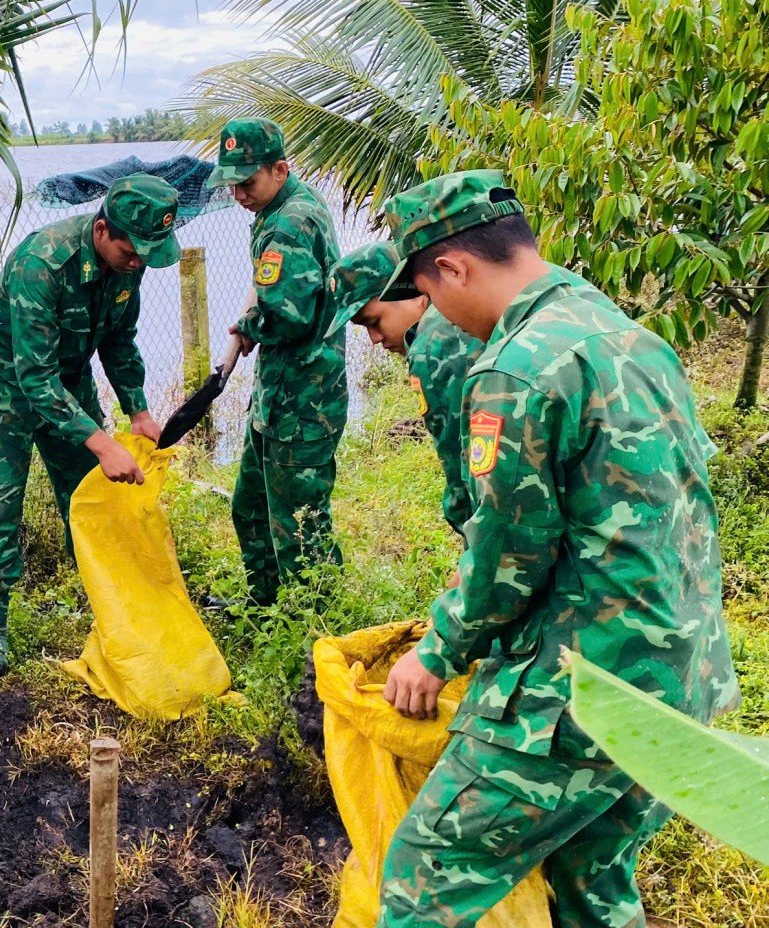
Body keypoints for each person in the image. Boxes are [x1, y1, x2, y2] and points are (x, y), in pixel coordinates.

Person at [375, 170, 740, 928]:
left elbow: (509, 557)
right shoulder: (620, 331)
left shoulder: (516, 368)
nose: (436, 314)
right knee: (591, 881)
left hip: (585, 692)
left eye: (429, 292)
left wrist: (435, 653)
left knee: (427, 872)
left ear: (453, 268)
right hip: (683, 676)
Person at [0, 173, 179, 676]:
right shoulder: (44, 263)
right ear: (102, 230)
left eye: (147, 254)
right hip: (5, 390)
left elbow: (120, 341)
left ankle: (107, 606)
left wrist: (138, 411)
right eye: (132, 252)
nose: (139, 263)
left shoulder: (130, 263)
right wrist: (103, 443)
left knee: (89, 496)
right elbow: (34, 376)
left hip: (69, 382)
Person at [207, 118, 347, 606]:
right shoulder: (277, 209)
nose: (239, 194)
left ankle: (318, 626)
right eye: (232, 185)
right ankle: (264, 604)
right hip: (277, 395)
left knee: (300, 524)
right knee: (249, 505)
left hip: (305, 399)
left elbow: (288, 317)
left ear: (280, 169)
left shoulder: (290, 222)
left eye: (247, 183)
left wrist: (249, 327)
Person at [326, 241, 485, 535]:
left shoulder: (432, 349)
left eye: (374, 321)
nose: (374, 339)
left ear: (410, 292)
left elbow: (465, 479)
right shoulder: (461, 309)